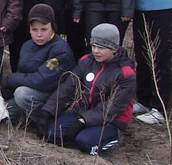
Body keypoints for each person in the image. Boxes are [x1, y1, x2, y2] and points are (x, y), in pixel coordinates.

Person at [29, 23, 136, 156]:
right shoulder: (86, 61)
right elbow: (68, 87)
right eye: (94, 46)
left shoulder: (125, 73)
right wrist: (48, 111)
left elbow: (113, 107)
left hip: (111, 120)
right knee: (51, 134)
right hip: (83, 111)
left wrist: (83, 121)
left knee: (84, 143)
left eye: (102, 48)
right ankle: (86, 133)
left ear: (114, 49)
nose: (96, 51)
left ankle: (113, 137)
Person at [0, 4, 76, 125]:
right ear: (29, 29)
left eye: (44, 29)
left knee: (21, 94)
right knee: (2, 112)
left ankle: (45, 122)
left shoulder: (61, 50)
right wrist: (7, 89)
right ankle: (28, 119)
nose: (39, 34)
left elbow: (42, 81)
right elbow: (23, 72)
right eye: (34, 30)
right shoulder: (27, 46)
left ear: (53, 28)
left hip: (52, 97)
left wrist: (10, 80)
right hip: (32, 92)